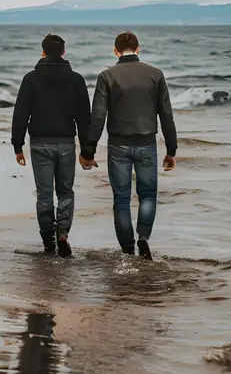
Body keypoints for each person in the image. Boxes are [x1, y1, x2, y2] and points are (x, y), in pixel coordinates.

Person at [81, 31, 177, 260]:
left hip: (118, 146)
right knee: (148, 195)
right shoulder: (156, 74)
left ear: (115, 51)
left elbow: (98, 116)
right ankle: (143, 237)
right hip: (147, 143)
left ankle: (127, 249)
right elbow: (166, 114)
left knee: (121, 199)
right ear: (138, 48)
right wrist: (171, 150)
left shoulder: (107, 76)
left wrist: (88, 150)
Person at [11, 33, 91, 257]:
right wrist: (87, 150)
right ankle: (62, 233)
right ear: (64, 52)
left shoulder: (30, 79)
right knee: (66, 192)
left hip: (40, 143)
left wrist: (17, 145)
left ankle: (48, 243)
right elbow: (84, 117)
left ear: (43, 52)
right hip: (66, 143)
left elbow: (21, 113)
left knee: (44, 194)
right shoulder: (76, 80)